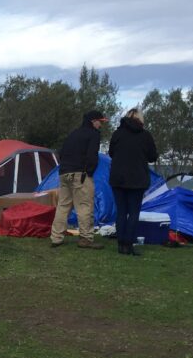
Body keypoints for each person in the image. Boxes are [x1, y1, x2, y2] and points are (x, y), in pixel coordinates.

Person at [50, 110, 108, 249]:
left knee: (63, 206)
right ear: (93, 121)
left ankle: (56, 237)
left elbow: (61, 152)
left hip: (64, 173)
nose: (101, 125)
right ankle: (86, 238)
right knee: (84, 206)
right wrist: (89, 171)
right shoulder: (93, 134)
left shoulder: (73, 134)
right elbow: (92, 155)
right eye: (100, 122)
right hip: (80, 174)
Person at [108, 108, 158, 255]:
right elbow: (152, 157)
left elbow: (111, 153)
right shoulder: (145, 135)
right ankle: (128, 244)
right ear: (140, 119)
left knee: (121, 212)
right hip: (138, 179)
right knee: (134, 213)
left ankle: (120, 244)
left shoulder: (117, 134)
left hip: (118, 178)